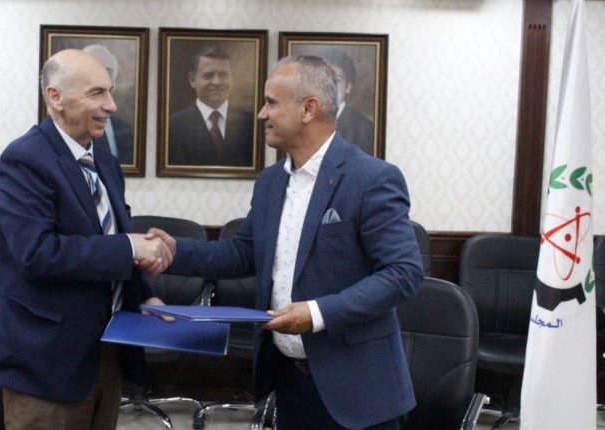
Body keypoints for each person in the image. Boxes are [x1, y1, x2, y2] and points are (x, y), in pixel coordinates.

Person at [153, 56, 423, 429]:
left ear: (309, 109)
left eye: (271, 102)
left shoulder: (371, 178)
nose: (261, 114)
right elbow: (244, 253)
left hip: (357, 390)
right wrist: (173, 251)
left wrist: (316, 314)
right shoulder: (271, 181)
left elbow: (403, 272)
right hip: (288, 383)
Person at [0, 49, 173, 430]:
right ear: (55, 97)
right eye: (97, 93)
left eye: (110, 92)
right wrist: (130, 247)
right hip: (48, 365)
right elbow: (37, 253)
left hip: (107, 353)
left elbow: (110, 236)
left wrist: (145, 295)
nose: (111, 105)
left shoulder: (104, 161)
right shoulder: (25, 159)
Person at [168, 44, 255, 167]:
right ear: (192, 80)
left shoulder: (251, 123)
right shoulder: (173, 126)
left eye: (223, 75)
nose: (216, 82)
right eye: (208, 76)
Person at [83, 44, 134, 165]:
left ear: (114, 82)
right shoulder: (64, 129)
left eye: (107, 72)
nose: (100, 78)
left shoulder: (124, 130)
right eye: (93, 70)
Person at [319, 48, 375, 156]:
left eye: (337, 80)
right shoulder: (304, 121)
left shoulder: (366, 129)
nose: (330, 86)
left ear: (348, 87)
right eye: (324, 79)